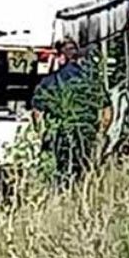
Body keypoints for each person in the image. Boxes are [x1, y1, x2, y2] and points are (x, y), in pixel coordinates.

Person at [31, 39, 102, 186]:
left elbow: (37, 113)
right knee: (82, 175)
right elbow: (107, 111)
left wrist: (40, 133)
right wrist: (99, 132)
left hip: (58, 135)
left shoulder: (49, 82)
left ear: (60, 57)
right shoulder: (91, 81)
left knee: (57, 173)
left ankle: (59, 197)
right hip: (85, 135)